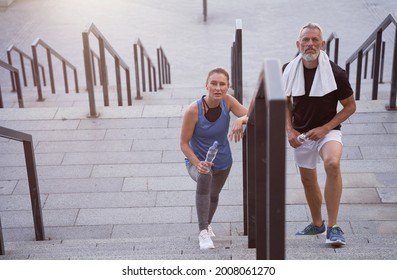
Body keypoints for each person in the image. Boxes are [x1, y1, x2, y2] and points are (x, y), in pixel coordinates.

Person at [282, 23, 356, 245]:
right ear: (298, 44)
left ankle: (333, 227)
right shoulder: (288, 68)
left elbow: (350, 106)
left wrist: (325, 128)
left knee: (332, 163)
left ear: (322, 44)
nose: (310, 44)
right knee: (308, 179)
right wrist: (290, 129)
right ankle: (317, 224)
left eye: (315, 40)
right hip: (301, 133)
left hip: (328, 131)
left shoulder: (336, 73)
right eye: (306, 40)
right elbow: (284, 102)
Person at [180, 67, 248, 250]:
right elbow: (184, 144)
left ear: (228, 87)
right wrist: (197, 163)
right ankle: (203, 232)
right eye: (214, 83)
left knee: (214, 194)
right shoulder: (193, 110)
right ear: (206, 85)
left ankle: (207, 223)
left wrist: (240, 120)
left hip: (224, 162)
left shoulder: (227, 101)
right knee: (205, 177)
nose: (218, 88)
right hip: (197, 162)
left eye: (222, 84)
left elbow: (251, 114)